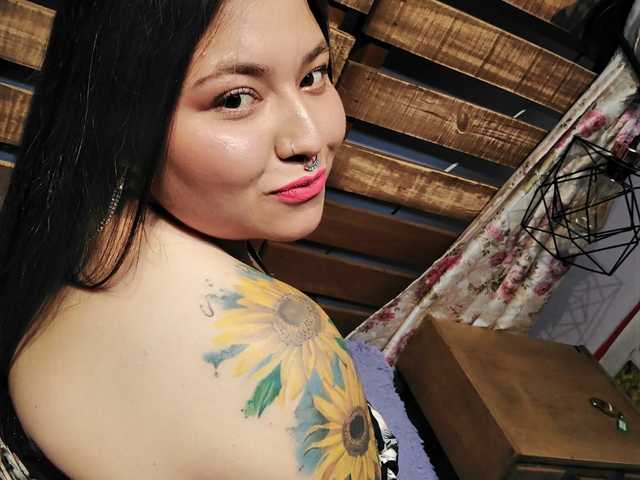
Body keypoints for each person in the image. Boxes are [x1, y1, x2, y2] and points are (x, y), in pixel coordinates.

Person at [0, 1, 399, 479]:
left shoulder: (69, 223)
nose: (310, 138)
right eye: (235, 100)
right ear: (119, 120)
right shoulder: (285, 355)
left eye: (312, 76)